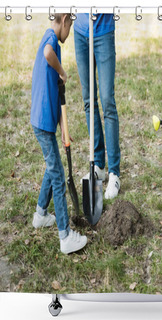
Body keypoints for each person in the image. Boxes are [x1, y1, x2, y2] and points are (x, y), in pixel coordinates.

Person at [30, 13, 87, 254]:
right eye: (70, 25)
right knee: (58, 173)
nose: (70, 31)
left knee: (51, 167)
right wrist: (63, 72)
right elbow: (47, 54)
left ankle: (41, 214)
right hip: (42, 123)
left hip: (46, 121)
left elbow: (57, 93)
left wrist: (64, 127)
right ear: (63, 19)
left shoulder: (50, 38)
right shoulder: (51, 40)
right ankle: (65, 235)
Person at [74, 14, 121, 200]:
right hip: (80, 32)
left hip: (103, 31)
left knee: (107, 102)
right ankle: (99, 166)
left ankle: (114, 173)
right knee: (88, 101)